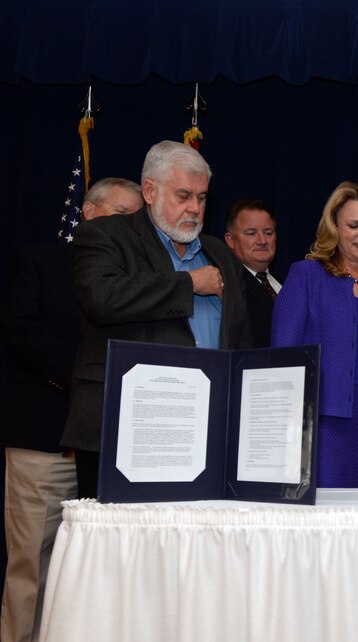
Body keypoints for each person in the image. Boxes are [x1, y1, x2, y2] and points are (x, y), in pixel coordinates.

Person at [0, 177, 142, 642]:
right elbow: (19, 330)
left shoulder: (134, 276)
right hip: (45, 438)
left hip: (114, 447)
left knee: (100, 564)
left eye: (135, 217)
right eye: (118, 214)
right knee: (31, 561)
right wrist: (87, 377)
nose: (127, 225)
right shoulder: (38, 261)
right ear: (87, 212)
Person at [60, 142, 251, 499]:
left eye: (202, 197)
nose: (195, 208)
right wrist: (189, 284)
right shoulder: (107, 235)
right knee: (116, 551)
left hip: (204, 432)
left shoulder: (219, 253)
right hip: (123, 429)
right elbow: (102, 298)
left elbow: (241, 339)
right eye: (183, 196)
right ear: (149, 191)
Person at [272, 182, 358, 487]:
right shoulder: (306, 276)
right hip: (324, 430)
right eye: (354, 225)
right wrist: (284, 437)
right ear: (334, 226)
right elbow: (281, 363)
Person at [224, 198, 280, 347]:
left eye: (268, 233)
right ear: (230, 240)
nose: (262, 241)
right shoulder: (227, 285)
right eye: (251, 233)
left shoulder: (289, 283)